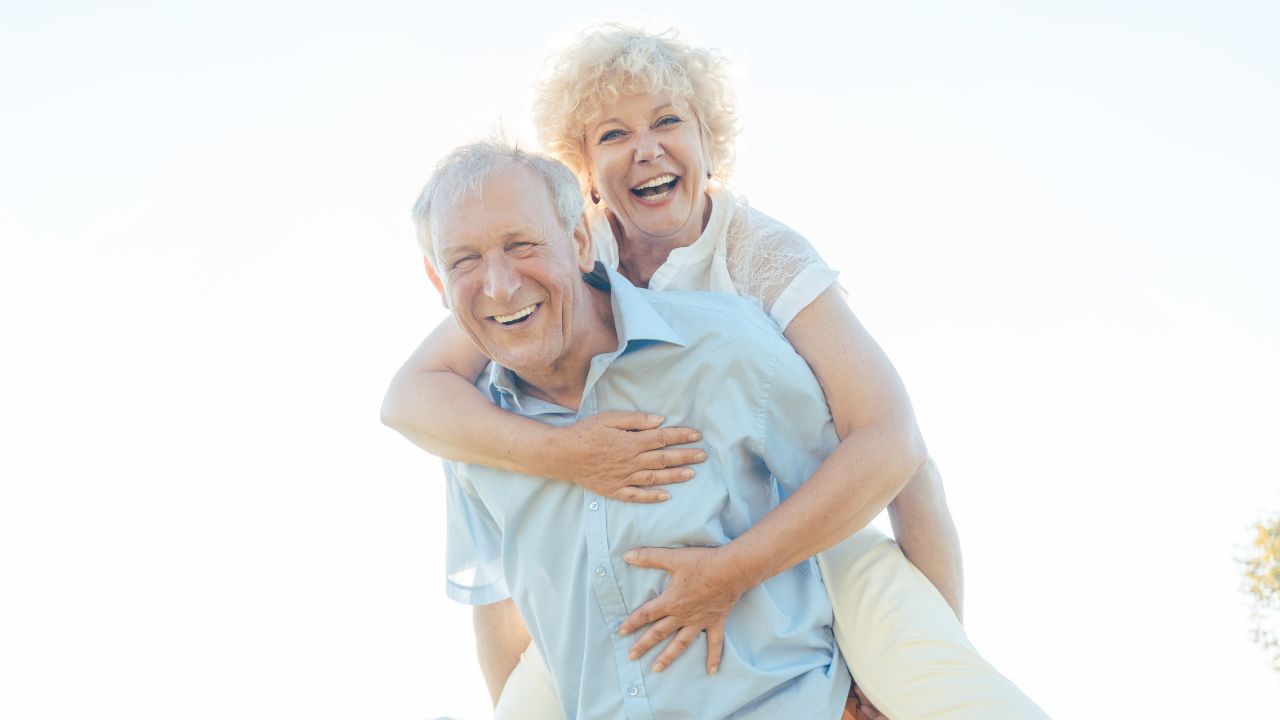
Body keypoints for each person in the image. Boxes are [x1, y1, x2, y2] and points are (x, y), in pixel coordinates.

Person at [387, 26, 1046, 719]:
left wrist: (900, 660)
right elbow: (411, 397)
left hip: (806, 525)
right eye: (613, 135)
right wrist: (569, 455)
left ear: (710, 143)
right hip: (635, 563)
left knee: (928, 672)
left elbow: (895, 449)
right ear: (584, 172)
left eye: (668, 121)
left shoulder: (759, 255)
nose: (645, 148)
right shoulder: (558, 263)